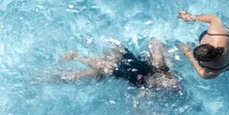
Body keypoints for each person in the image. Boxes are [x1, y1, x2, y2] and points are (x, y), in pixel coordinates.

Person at [53, 40, 181, 92]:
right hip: (123, 59)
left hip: (119, 70)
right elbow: (154, 44)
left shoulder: (148, 89)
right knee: (103, 69)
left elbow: (136, 104)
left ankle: (59, 75)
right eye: (170, 80)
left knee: (98, 74)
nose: (169, 82)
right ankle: (76, 57)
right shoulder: (159, 68)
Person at [176, 9, 229, 79]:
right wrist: (191, 17)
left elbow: (202, 74)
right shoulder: (217, 34)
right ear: (208, 45)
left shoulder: (212, 70)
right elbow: (213, 18)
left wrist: (188, 53)